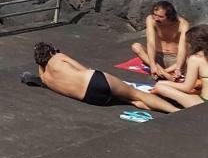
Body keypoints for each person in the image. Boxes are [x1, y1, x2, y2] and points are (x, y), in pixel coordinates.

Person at [32, 42, 179, 113]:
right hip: (94, 81)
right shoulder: (58, 57)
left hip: (93, 99)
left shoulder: (45, 79)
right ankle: (174, 111)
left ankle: (158, 108)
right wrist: (55, 53)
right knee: (138, 94)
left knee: (132, 101)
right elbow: (82, 69)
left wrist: (40, 62)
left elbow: (41, 73)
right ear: (51, 52)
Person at [130, 0, 188, 81]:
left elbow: (183, 49)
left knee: (193, 57)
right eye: (155, 15)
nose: (156, 18)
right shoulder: (151, 19)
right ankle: (165, 74)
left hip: (174, 59)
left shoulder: (182, 24)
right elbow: (151, 43)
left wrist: (178, 67)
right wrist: (153, 65)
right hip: (157, 57)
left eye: (160, 17)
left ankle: (162, 72)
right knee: (136, 46)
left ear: (170, 16)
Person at [152, 25, 208, 108]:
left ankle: (172, 109)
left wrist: (164, 82)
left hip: (204, 103)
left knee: (160, 86)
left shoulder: (196, 58)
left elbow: (187, 87)